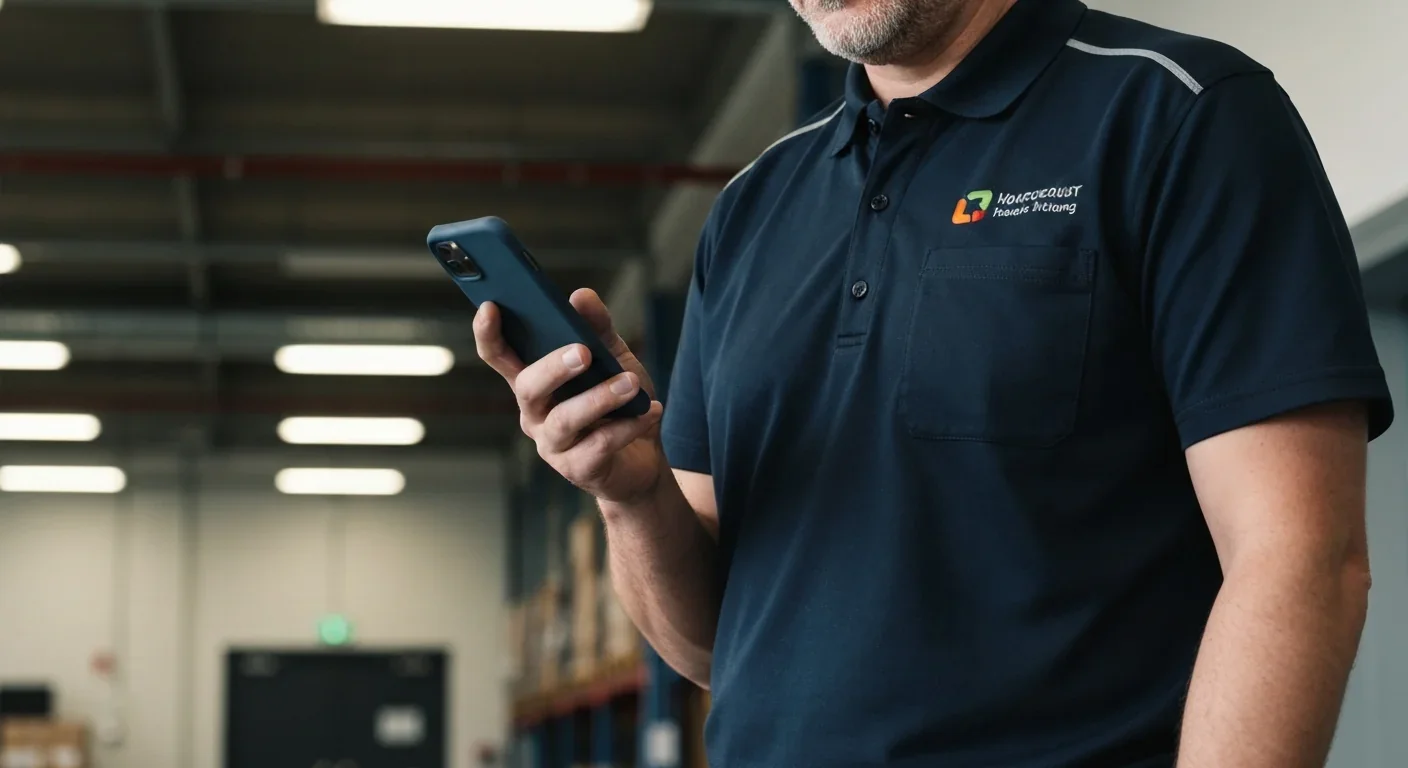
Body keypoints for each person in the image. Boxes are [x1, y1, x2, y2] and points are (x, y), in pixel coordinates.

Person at [474, 0, 1395, 764]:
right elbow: (714, 648)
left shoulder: (1181, 115)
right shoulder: (752, 210)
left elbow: (1300, 561)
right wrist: (632, 496)